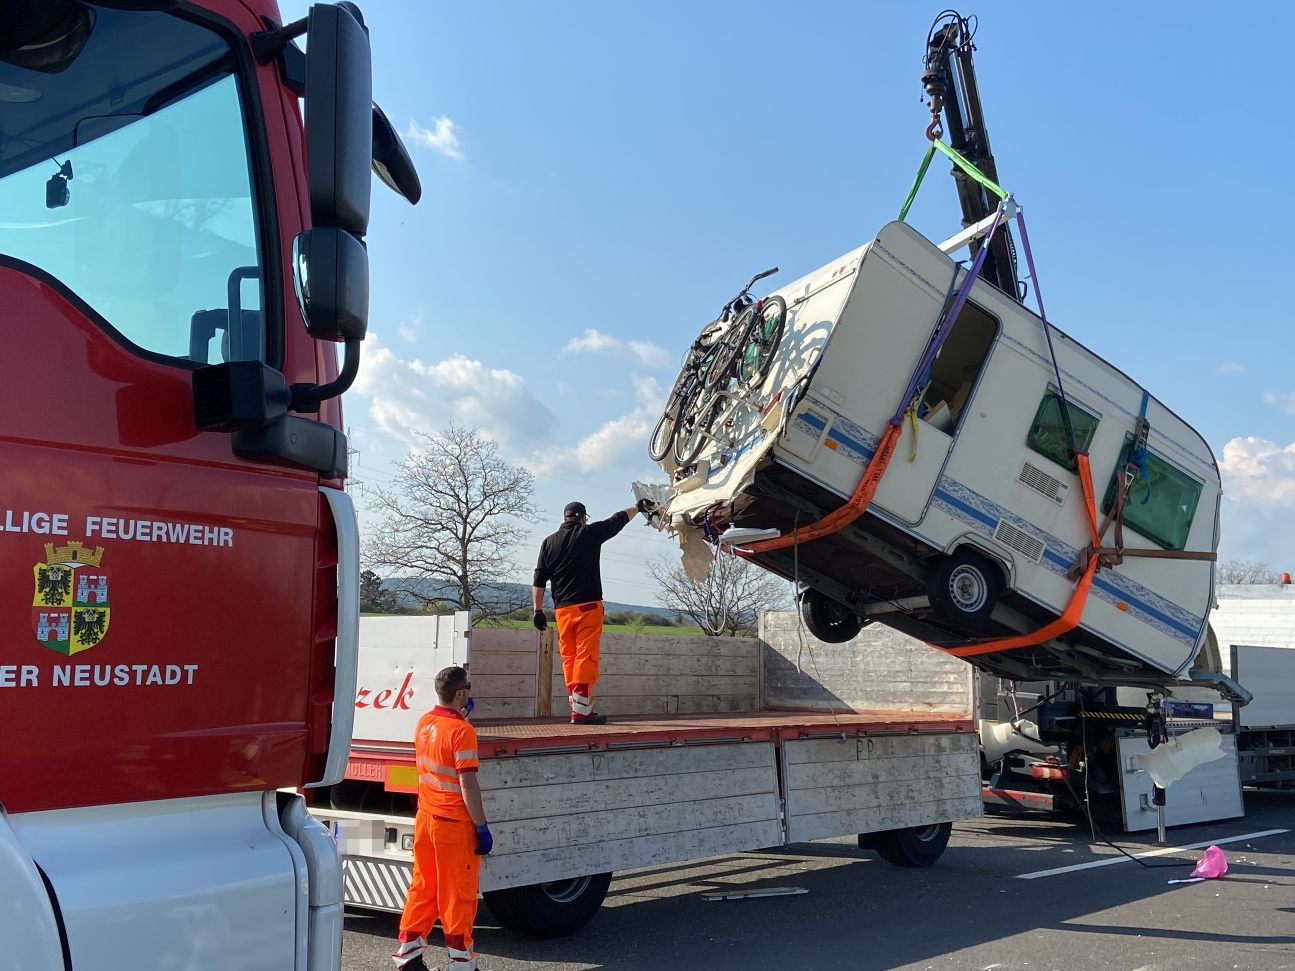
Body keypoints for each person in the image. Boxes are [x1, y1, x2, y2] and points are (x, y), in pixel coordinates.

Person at [392, 666, 493, 971]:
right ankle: (461, 963)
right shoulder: (463, 732)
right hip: (454, 825)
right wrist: (481, 826)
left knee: (423, 887)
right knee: (458, 893)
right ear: (460, 694)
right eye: (468, 688)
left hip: (426, 818)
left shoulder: (424, 723)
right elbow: (467, 784)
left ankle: (408, 954)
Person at [532, 497, 654, 724]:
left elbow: (539, 579)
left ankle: (578, 706)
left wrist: (537, 610)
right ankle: (581, 712)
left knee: (569, 657)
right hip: (588, 607)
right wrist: (638, 507)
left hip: (562, 611)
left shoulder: (548, 542)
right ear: (582, 518)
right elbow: (616, 521)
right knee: (585, 657)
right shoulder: (588, 533)